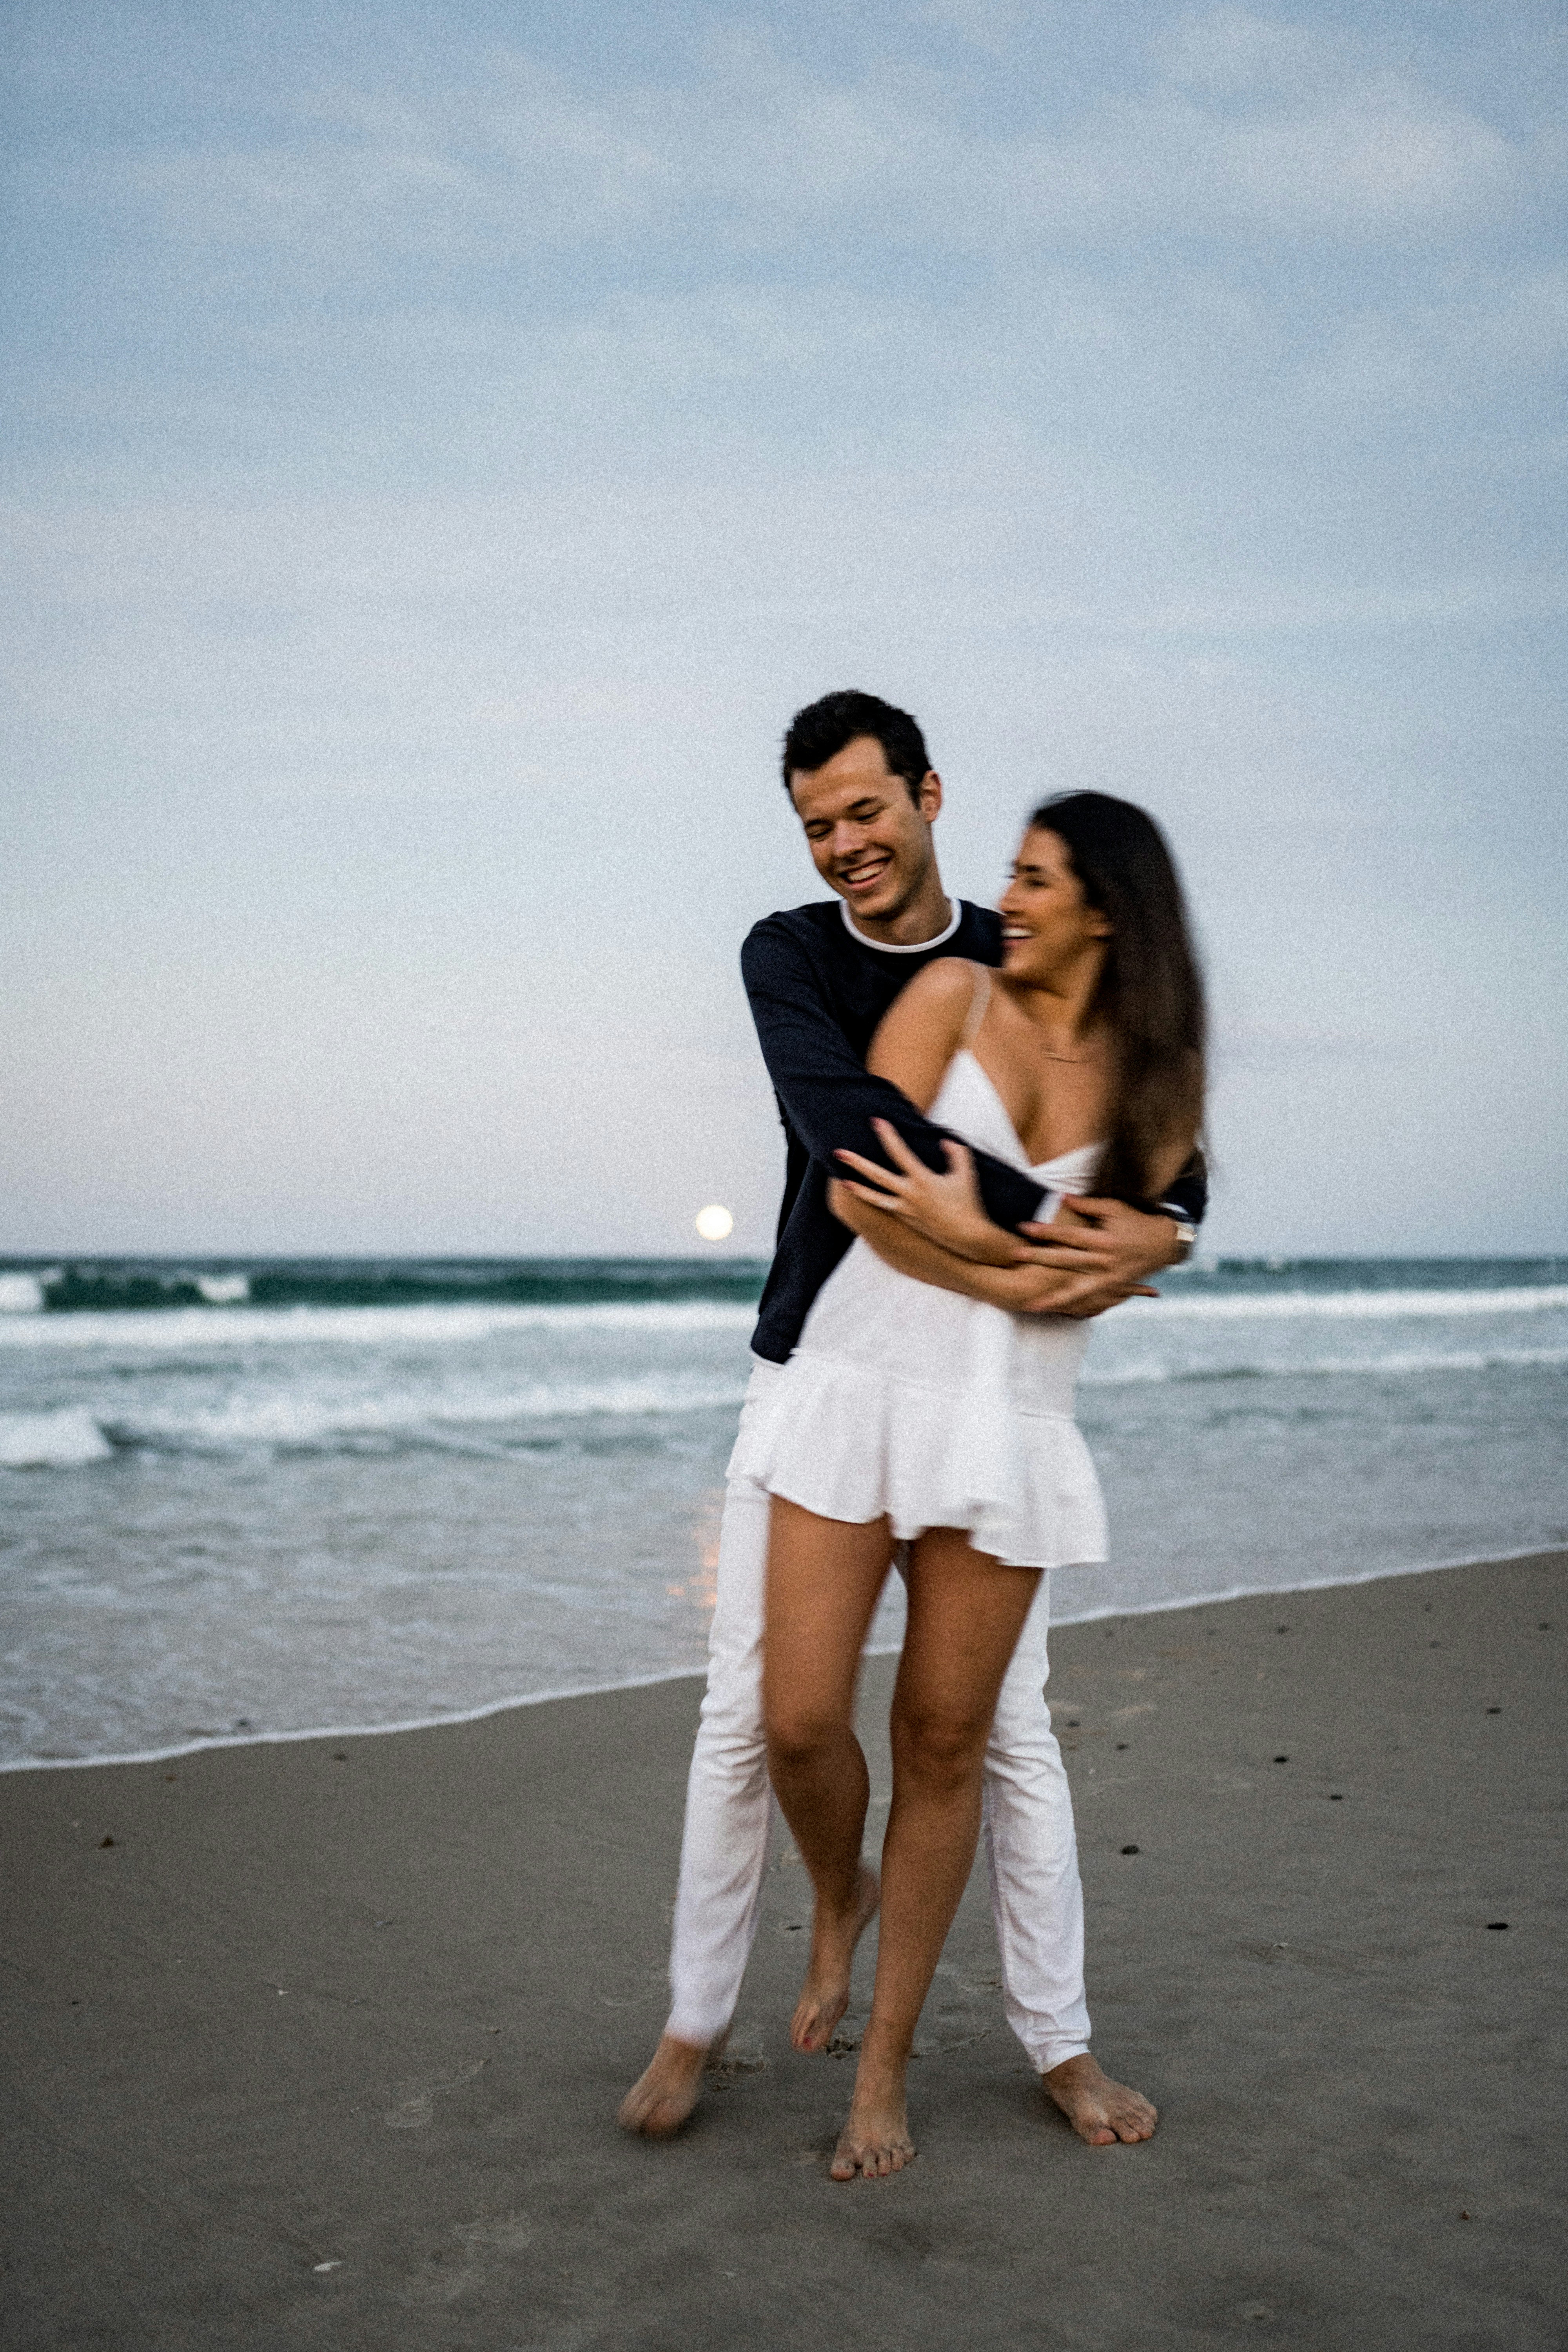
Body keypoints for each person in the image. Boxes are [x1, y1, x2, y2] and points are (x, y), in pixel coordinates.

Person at [618, 692, 1205, 2147]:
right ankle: (720, 1995)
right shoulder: (796, 953)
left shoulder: (1025, 955)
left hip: (998, 1410)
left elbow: (1170, 1148)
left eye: (865, 812)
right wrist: (1076, 1243)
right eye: (817, 825)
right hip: (823, 1366)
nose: (843, 846)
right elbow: (852, 1142)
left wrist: (1167, 1228)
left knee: (996, 1738)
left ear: (928, 796)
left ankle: (1055, 2043)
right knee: (761, 1715)